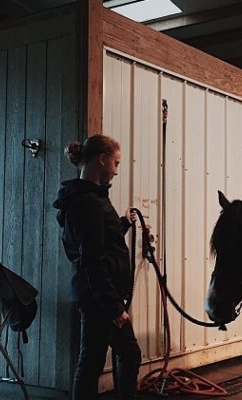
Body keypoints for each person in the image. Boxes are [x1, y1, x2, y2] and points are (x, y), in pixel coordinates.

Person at [53, 134, 141, 400]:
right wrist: (114, 307)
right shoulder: (87, 202)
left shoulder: (90, 198)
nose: (116, 170)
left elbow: (101, 242)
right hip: (99, 298)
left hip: (99, 295)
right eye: (115, 162)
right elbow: (92, 259)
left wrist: (123, 223)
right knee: (95, 362)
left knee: (109, 358)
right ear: (102, 160)